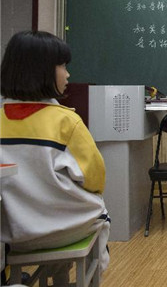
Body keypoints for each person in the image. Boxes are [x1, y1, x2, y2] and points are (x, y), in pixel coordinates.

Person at [1, 31, 111, 283]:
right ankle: (78, 276)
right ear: (41, 71)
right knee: (100, 212)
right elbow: (95, 180)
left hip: (12, 233)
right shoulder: (66, 121)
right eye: (62, 65)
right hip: (67, 229)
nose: (68, 74)